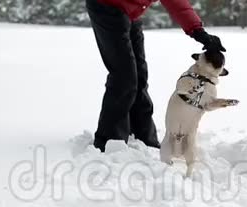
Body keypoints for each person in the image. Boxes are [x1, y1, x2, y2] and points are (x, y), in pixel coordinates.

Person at [86, 0, 226, 152]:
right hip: (106, 6)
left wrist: (198, 31)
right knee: (124, 77)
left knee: (140, 76)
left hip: (131, 12)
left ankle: (142, 135)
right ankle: (109, 142)